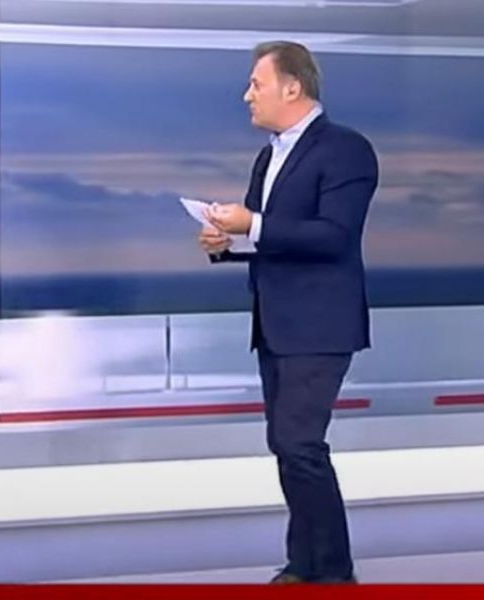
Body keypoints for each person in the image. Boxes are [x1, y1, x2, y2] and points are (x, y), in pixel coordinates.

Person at [200, 40, 378, 584]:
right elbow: (275, 237)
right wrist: (227, 243)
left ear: (292, 87)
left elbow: (333, 236)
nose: (247, 95)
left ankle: (335, 573)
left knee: (300, 444)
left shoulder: (346, 149)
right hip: (276, 324)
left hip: (320, 325)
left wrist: (251, 224)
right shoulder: (268, 155)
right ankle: (305, 564)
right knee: (286, 445)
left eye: (257, 84)